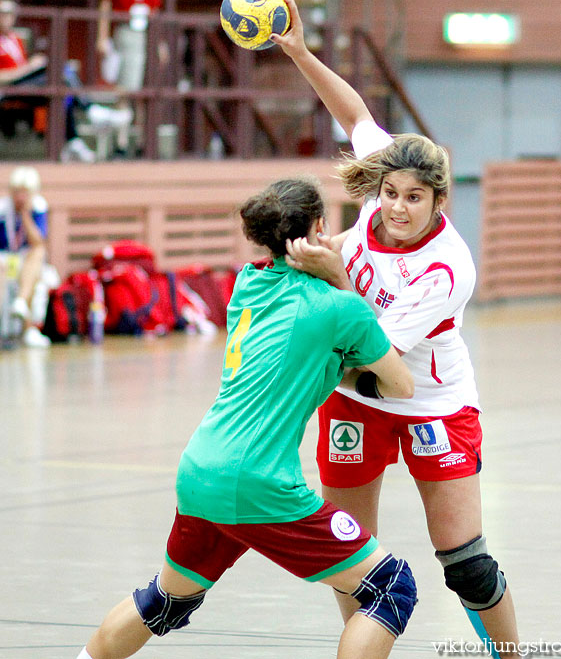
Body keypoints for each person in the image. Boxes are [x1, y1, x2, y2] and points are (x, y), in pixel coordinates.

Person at [75, 177, 418, 659]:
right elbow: (401, 384)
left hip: (200, 469)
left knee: (165, 602)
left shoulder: (247, 283)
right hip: (257, 480)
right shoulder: (338, 308)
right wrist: (342, 281)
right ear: (319, 229)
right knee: (391, 588)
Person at [272, 0, 520, 659]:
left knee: (465, 562)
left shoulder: (447, 268)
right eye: (390, 194)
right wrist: (297, 50)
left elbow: (376, 350)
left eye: (415, 199)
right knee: (349, 550)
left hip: (426, 397)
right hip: (357, 399)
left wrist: (332, 277)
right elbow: (352, 111)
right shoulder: (380, 197)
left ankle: (511, 655)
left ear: (441, 200)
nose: (398, 209)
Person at [0, 0, 132, 162]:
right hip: (8, 91)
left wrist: (33, 66)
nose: (6, 18)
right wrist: (29, 67)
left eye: (10, 14)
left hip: (26, 87)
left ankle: (73, 140)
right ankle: (89, 112)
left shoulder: (16, 39)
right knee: (62, 74)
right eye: (3, 13)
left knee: (64, 86)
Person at [96, 0, 167, 157]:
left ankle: (144, 141)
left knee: (146, 89)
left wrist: (160, 42)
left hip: (147, 32)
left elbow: (154, 8)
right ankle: (122, 140)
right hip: (126, 30)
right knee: (126, 88)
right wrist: (102, 35)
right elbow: (106, 1)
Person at [0, 166, 54, 348]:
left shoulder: (37, 207)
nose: (20, 197)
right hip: (5, 258)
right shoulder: (3, 208)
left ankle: (23, 306)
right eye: (17, 192)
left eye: (25, 192)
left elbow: (38, 241)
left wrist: (25, 216)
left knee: (37, 256)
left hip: (26, 260)